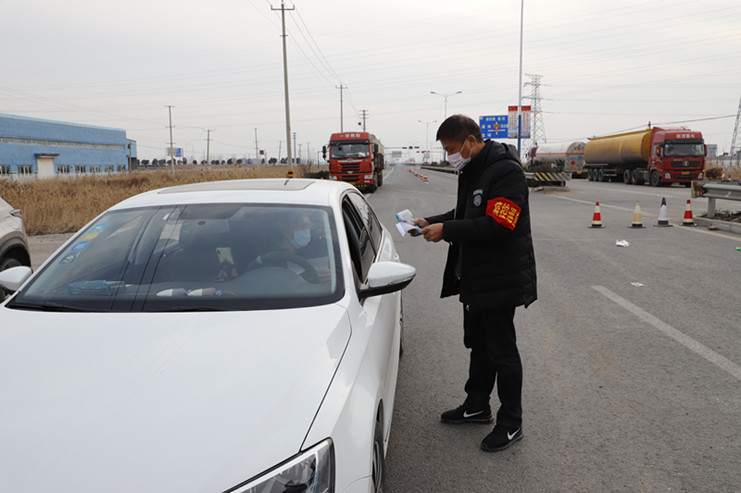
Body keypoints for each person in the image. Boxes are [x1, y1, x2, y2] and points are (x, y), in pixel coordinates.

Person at [413, 115, 537, 452]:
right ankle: (477, 406)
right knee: (479, 345)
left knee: (502, 351)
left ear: (470, 140)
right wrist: (430, 221)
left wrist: (447, 231)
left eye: (452, 149)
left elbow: (500, 225)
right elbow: (466, 212)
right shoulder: (474, 169)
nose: (450, 155)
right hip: (478, 276)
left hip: (500, 277)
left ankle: (511, 422)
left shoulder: (506, 171)